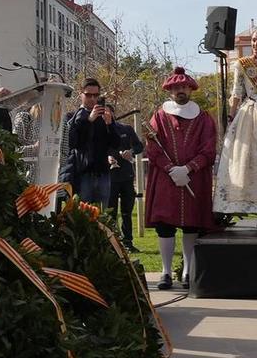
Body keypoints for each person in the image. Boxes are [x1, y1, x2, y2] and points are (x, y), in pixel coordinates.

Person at [144, 67, 217, 289]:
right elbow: (153, 148)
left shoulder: (204, 119)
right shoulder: (158, 116)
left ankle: (187, 271)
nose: (181, 90)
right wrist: (170, 168)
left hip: (193, 178)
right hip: (166, 181)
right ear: (170, 91)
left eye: (184, 87)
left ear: (190, 89)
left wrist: (189, 168)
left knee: (191, 225)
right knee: (165, 225)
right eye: (176, 87)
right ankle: (166, 272)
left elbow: (209, 149)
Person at [216, 27, 257, 221]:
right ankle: (251, 209)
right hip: (249, 117)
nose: (255, 44)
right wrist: (231, 118)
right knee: (247, 162)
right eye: (253, 40)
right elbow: (236, 93)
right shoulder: (242, 64)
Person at [60, 79, 116, 209]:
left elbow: (115, 143)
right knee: (81, 215)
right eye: (88, 95)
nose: (92, 99)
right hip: (83, 174)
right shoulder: (73, 116)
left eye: (96, 95)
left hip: (103, 173)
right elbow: (73, 142)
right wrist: (89, 120)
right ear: (81, 94)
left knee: (102, 215)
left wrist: (110, 125)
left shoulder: (104, 117)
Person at [108, 99, 143, 251]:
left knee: (127, 212)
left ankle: (128, 243)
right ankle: (112, 245)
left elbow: (139, 145)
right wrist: (106, 158)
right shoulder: (98, 132)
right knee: (111, 213)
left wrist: (131, 152)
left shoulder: (126, 129)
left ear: (113, 114)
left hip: (126, 176)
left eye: (108, 112)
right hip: (109, 179)